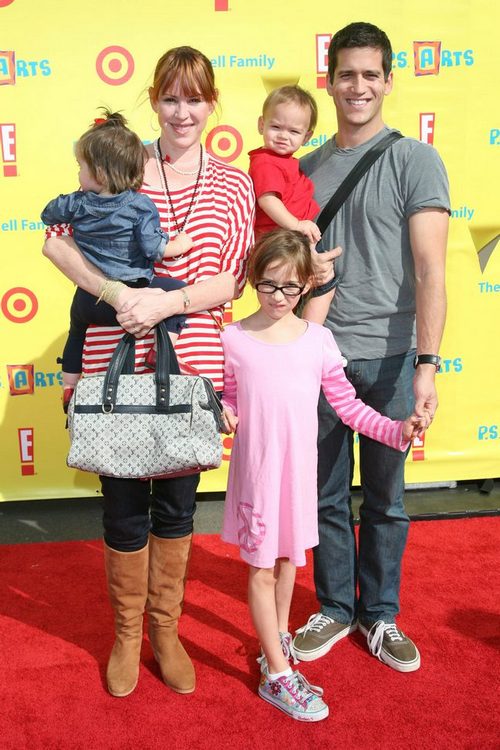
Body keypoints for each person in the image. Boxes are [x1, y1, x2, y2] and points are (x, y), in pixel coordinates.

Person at [42, 46, 256, 699]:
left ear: (211, 103)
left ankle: (166, 631)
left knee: (177, 507)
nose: (182, 111)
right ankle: (129, 634)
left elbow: (235, 274)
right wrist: (115, 295)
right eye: (170, 97)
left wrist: (169, 299)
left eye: (194, 98)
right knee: (123, 506)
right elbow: (55, 240)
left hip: (190, 363)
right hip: (113, 355)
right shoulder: (122, 162)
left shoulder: (233, 183)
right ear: (153, 101)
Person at [292, 22, 450, 673]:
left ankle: (380, 615)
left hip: (389, 360)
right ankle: (334, 605)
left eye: (370, 74)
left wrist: (426, 365)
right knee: (325, 496)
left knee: (386, 499)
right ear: (329, 81)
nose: (358, 86)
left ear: (387, 81)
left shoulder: (415, 159)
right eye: (346, 74)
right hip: (318, 357)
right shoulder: (303, 168)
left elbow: (431, 270)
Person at [220, 229, 428, 720]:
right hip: (257, 476)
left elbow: (350, 407)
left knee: (290, 563)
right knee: (260, 568)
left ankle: (279, 642)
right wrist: (225, 412)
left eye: (290, 288)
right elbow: (229, 396)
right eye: (268, 285)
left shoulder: (318, 339)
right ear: (253, 280)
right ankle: (276, 672)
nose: (278, 297)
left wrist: (397, 430)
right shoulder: (233, 337)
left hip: (298, 476)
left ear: (305, 288)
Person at [40, 109, 190, 410]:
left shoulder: (77, 202)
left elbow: (48, 215)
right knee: (177, 288)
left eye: (80, 167)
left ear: (99, 173)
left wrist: (68, 201)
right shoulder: (140, 205)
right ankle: (164, 348)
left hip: (89, 299)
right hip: (136, 293)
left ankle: (69, 385)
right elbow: (153, 248)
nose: (78, 175)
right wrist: (178, 244)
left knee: (76, 333)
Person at [248, 85, 321, 246]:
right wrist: (297, 225)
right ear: (262, 125)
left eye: (293, 132)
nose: (283, 136)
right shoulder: (265, 162)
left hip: (291, 238)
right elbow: (268, 200)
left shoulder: (286, 161)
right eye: (276, 127)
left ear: (306, 137)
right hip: (275, 241)